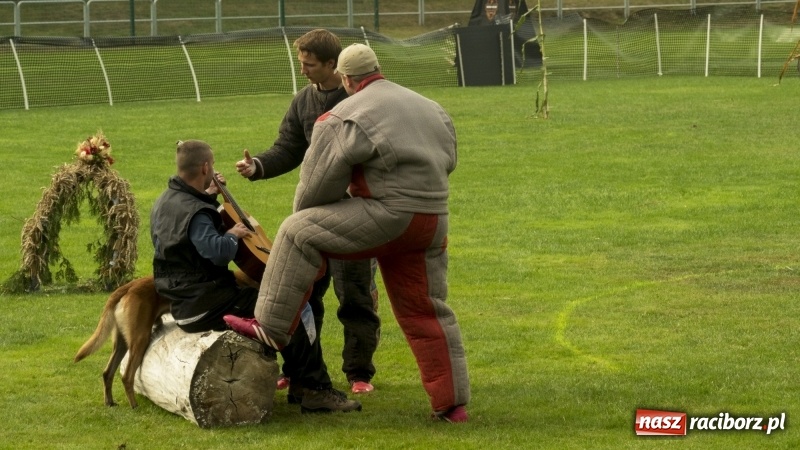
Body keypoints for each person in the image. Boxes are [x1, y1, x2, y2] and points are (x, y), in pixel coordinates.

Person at [225, 44, 470, 423]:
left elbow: (316, 188)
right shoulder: (430, 107)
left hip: (388, 216)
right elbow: (449, 160)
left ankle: (271, 328)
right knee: (427, 312)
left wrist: (318, 216)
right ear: (378, 70)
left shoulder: (341, 116)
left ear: (345, 78)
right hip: (433, 220)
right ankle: (451, 405)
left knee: (296, 230)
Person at [150, 139, 361, 414]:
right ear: (205, 167)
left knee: (287, 306)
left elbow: (189, 242)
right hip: (206, 304)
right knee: (292, 307)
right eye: (211, 166)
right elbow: (216, 253)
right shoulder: (197, 212)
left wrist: (210, 197)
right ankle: (314, 389)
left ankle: (301, 383)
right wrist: (231, 236)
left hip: (184, 302)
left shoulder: (166, 201)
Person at [235, 29, 380, 396]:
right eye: (300, 62)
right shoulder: (302, 102)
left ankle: (359, 374)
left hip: (355, 217)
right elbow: (287, 147)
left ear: (333, 65)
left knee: (356, 297)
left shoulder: (359, 99)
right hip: (313, 216)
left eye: (309, 64)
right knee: (302, 297)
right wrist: (258, 167)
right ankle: (299, 369)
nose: (303, 70)